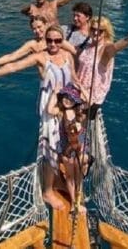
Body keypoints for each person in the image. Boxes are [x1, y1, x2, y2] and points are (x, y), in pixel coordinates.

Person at [0, 25, 78, 211]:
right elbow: (13, 66)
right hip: (49, 110)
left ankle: (57, 180)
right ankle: (48, 191)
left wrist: (81, 90)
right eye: (49, 40)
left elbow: (73, 77)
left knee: (63, 146)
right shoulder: (40, 57)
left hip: (66, 108)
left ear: (62, 40)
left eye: (57, 41)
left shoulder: (67, 56)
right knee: (51, 148)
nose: (53, 44)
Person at [77, 17, 128, 116]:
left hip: (91, 99)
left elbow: (115, 47)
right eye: (93, 29)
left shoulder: (105, 48)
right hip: (78, 91)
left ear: (106, 32)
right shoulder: (88, 46)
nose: (95, 33)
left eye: (100, 31)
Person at [0, 16, 75, 72]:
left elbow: (75, 52)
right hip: (46, 82)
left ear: (46, 25)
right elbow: (12, 57)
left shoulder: (56, 40)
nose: (37, 31)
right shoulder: (32, 44)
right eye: (34, 29)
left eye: (39, 27)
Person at [47, 83, 90, 214]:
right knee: (70, 177)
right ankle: (74, 204)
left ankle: (78, 196)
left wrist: (81, 87)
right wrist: (54, 93)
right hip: (67, 150)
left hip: (81, 147)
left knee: (80, 174)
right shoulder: (61, 113)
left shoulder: (81, 113)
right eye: (65, 97)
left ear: (75, 101)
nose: (67, 100)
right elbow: (49, 110)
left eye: (71, 98)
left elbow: (89, 101)